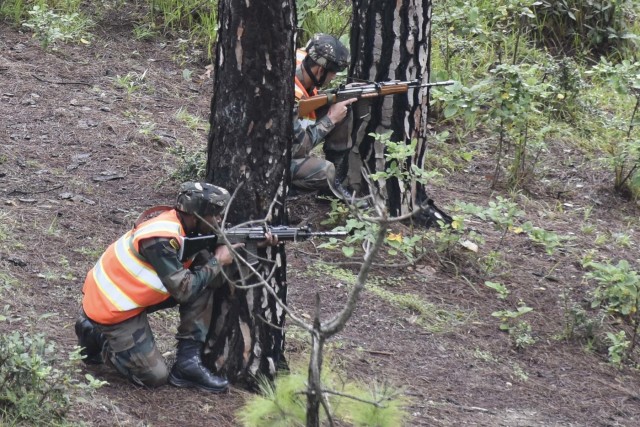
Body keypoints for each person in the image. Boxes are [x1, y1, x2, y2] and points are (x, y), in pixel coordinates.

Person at [74, 182, 276, 393]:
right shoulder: (160, 238)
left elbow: (213, 280)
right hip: (112, 307)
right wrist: (217, 261)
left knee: (206, 279)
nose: (219, 221)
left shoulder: (185, 227)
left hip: (134, 295)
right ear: (197, 215)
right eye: (215, 215)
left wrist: (253, 243)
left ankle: (187, 363)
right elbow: (184, 290)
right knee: (154, 377)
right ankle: (93, 334)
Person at [291, 33, 358, 199]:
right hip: (273, 161)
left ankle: (336, 185)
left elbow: (310, 98)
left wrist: (342, 94)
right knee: (325, 171)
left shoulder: (302, 59)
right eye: (333, 72)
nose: (334, 76)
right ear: (320, 70)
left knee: (343, 105)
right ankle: (285, 186)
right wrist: (330, 120)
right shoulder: (291, 95)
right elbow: (298, 148)